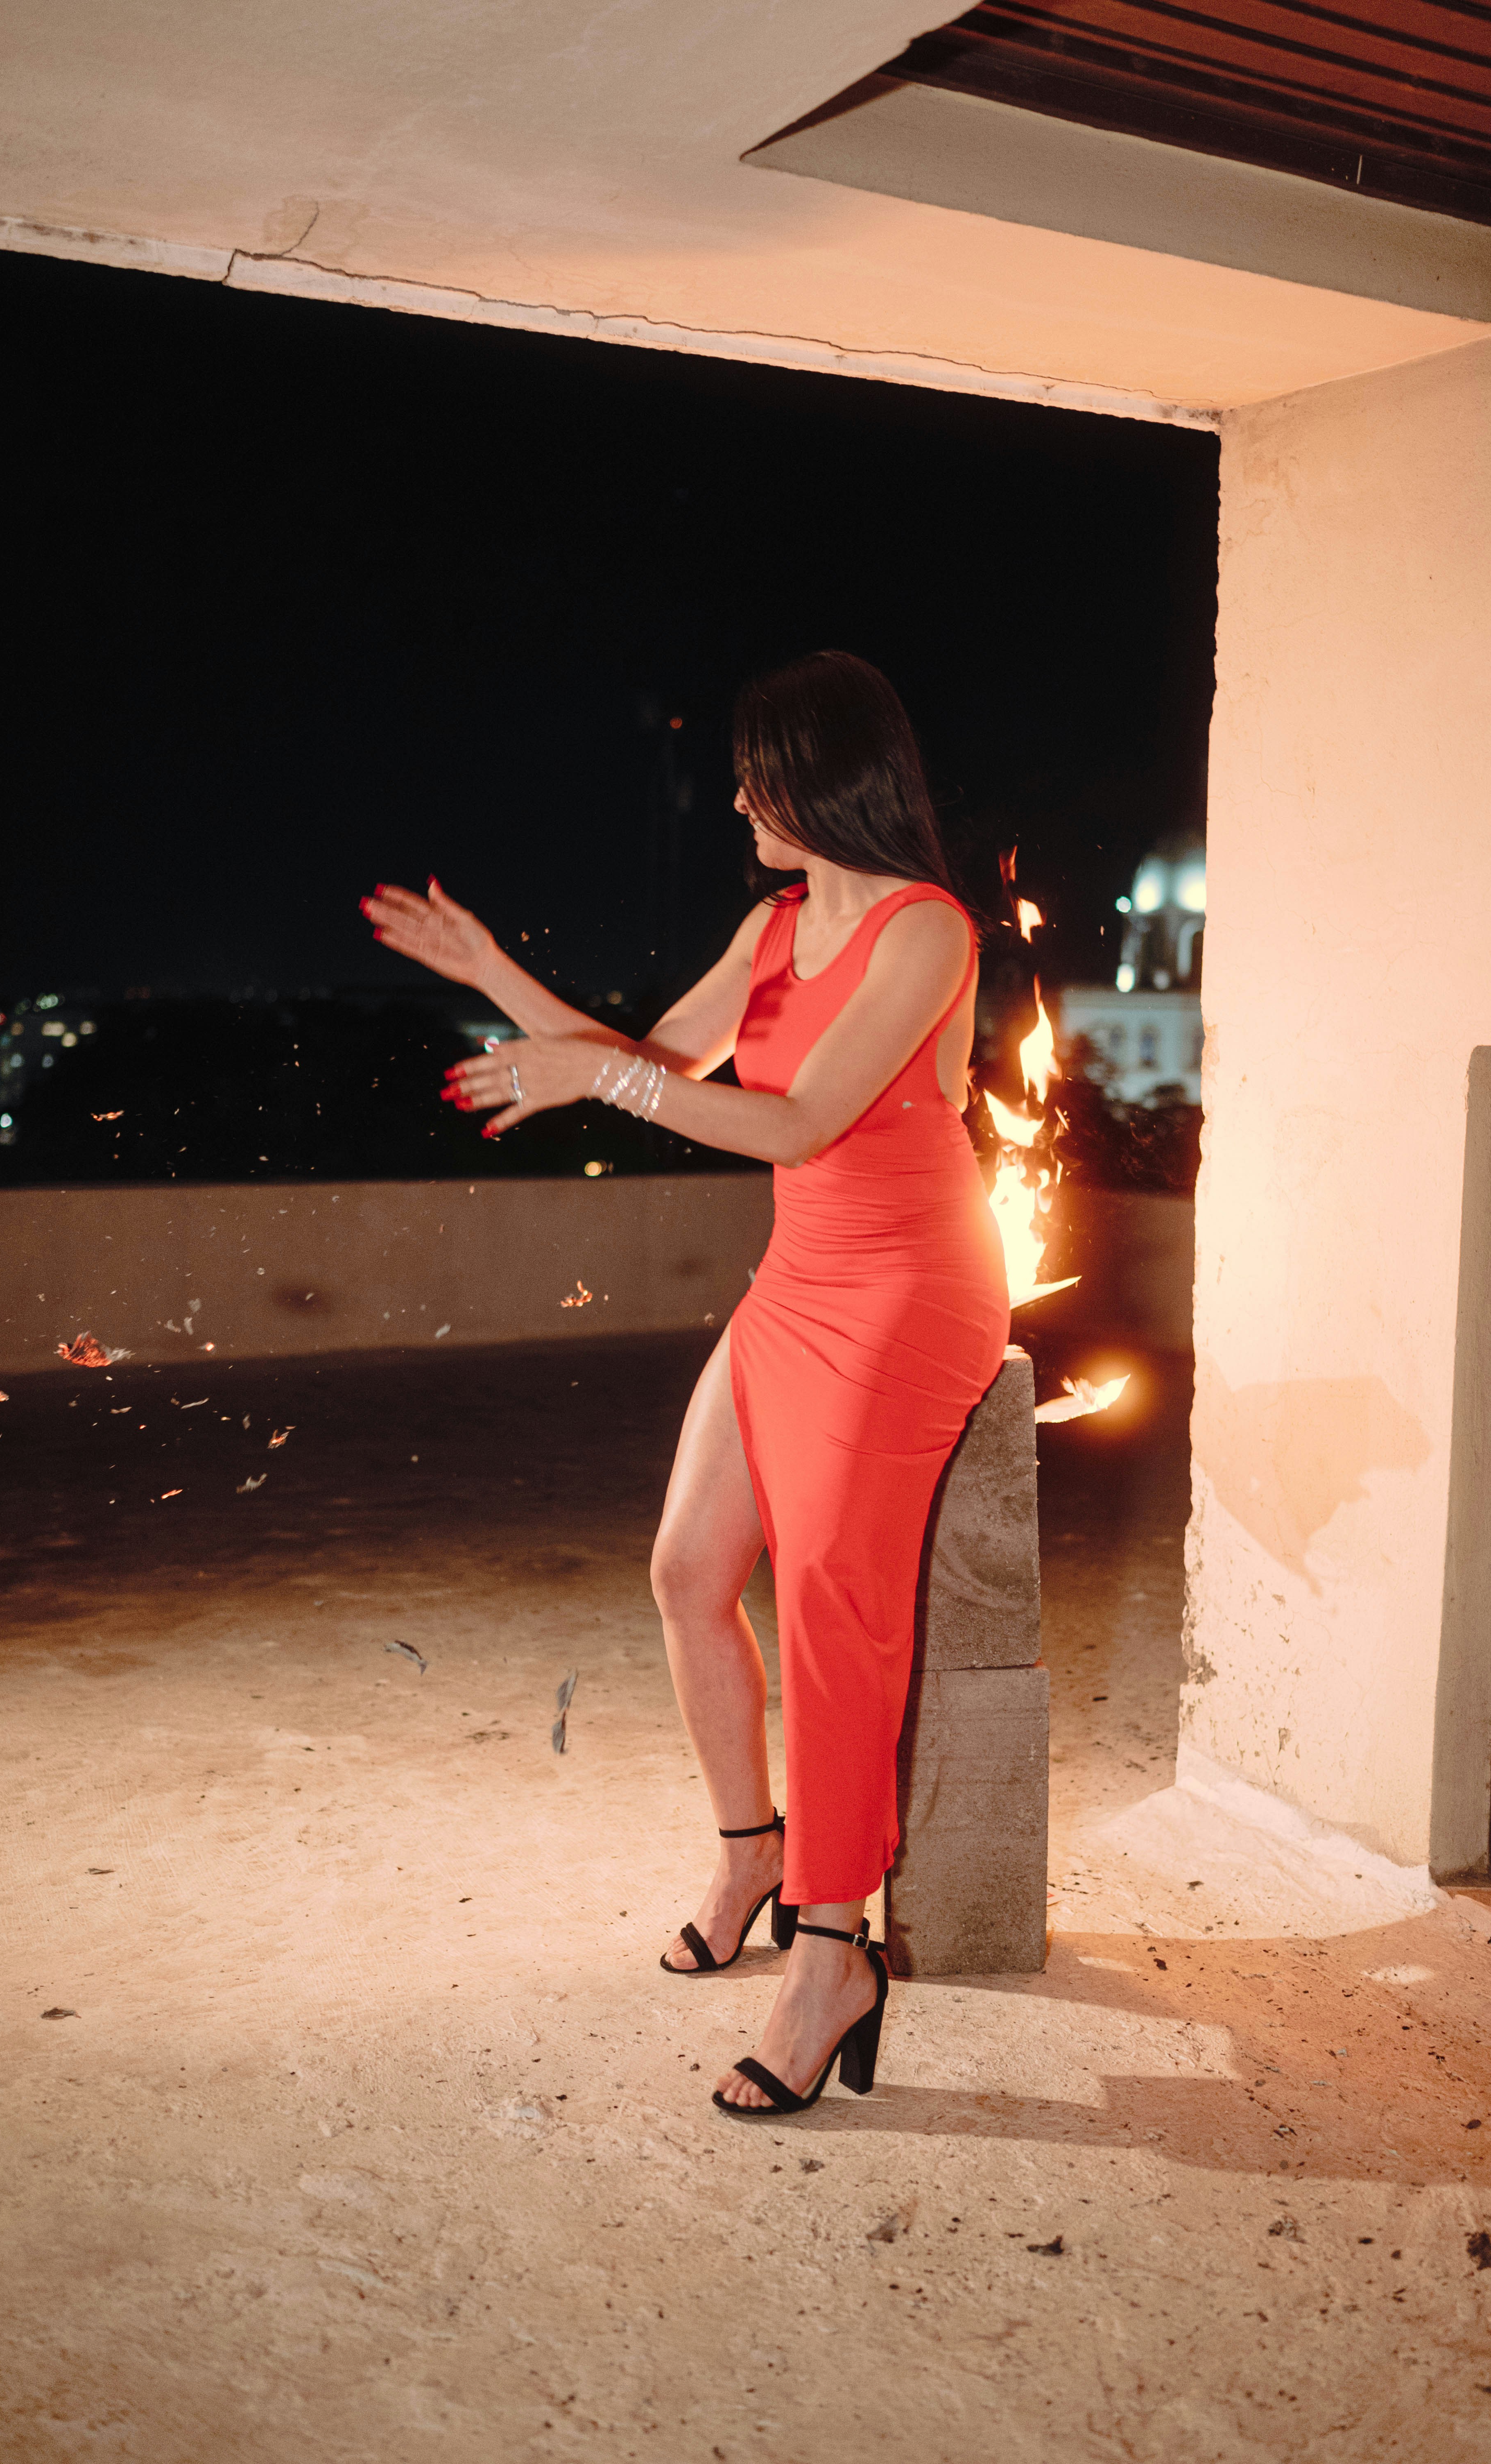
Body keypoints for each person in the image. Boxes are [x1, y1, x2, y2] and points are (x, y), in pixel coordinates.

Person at [361, 650, 1009, 2118]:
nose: (734, 800)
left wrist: (594, 1080)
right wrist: (494, 978)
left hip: (914, 1289)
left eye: (755, 776)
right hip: (802, 1281)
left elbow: (792, 1125)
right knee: (685, 1569)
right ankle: (753, 1852)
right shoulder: (775, 924)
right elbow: (655, 1061)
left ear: (824, 780)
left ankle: (834, 1950)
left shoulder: (926, 932)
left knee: (836, 1608)